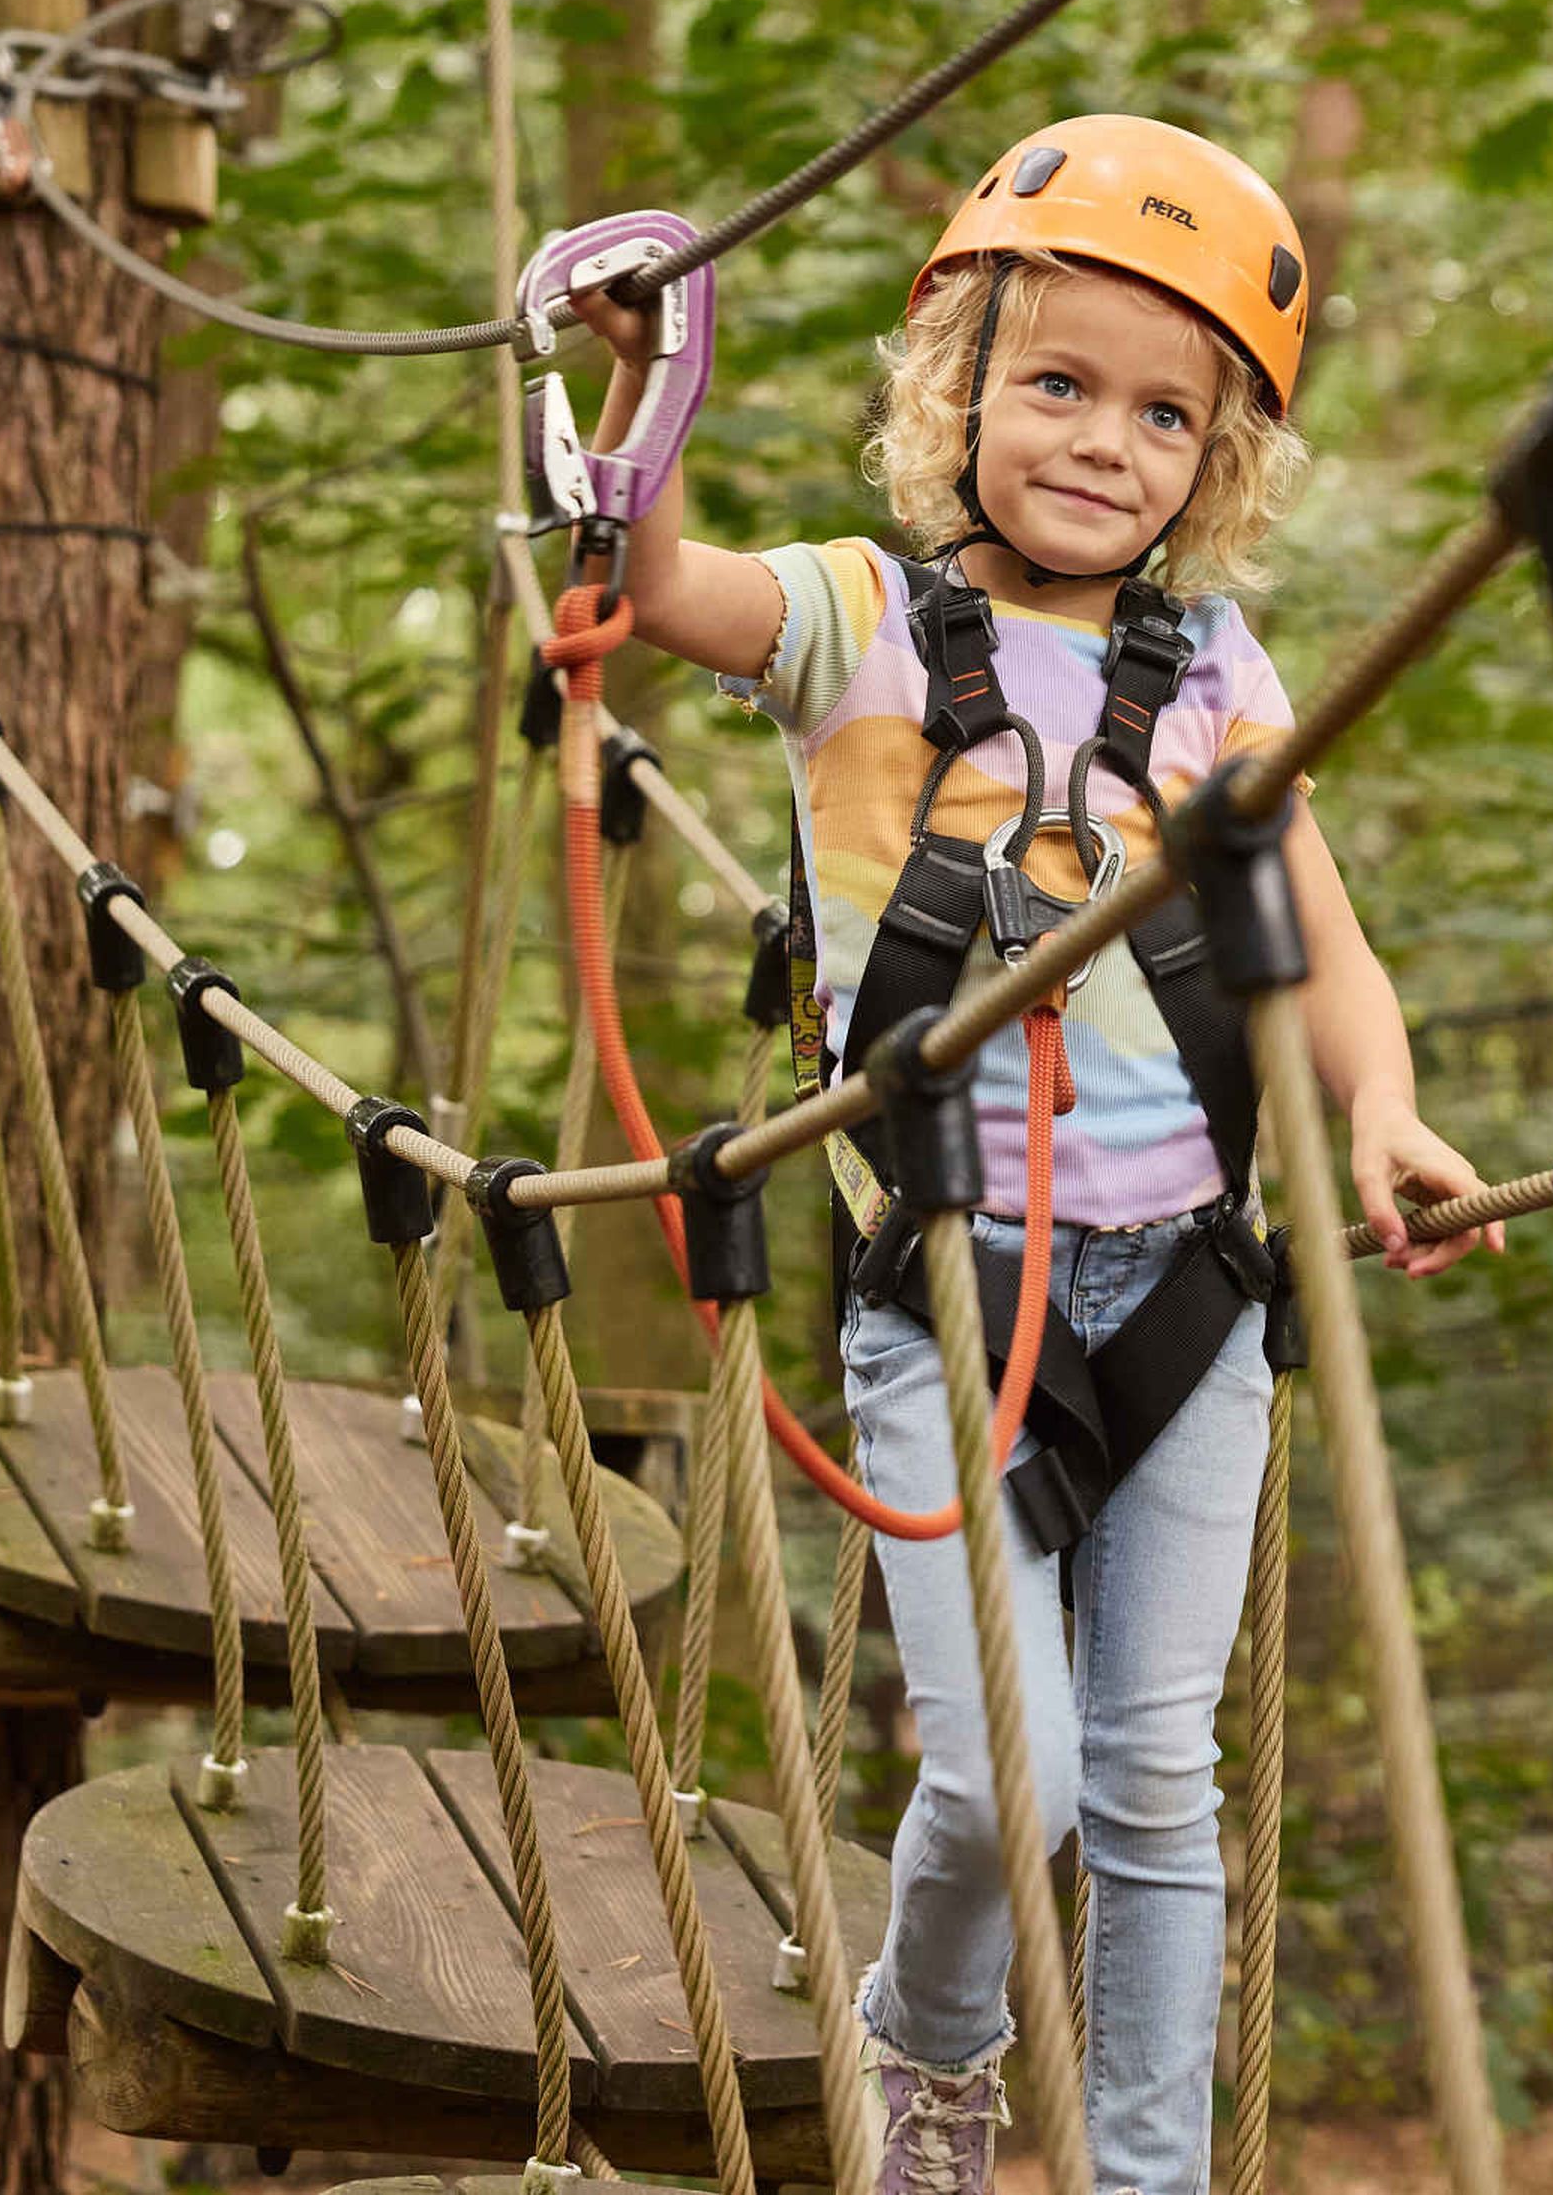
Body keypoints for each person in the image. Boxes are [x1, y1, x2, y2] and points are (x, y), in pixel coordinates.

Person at [575, 114, 1499, 2195]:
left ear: (1217, 461)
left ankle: (1147, 2177)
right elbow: (650, 593)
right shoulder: (855, 621)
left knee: (1162, 1780)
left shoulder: (1221, 678)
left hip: (1187, 1298)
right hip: (946, 1290)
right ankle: (932, 2050)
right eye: (1059, 383)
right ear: (961, 387)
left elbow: (1328, 951)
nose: (1106, 441)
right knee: (1011, 1791)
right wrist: (649, 384)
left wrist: (1387, 1108)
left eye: (1165, 413)